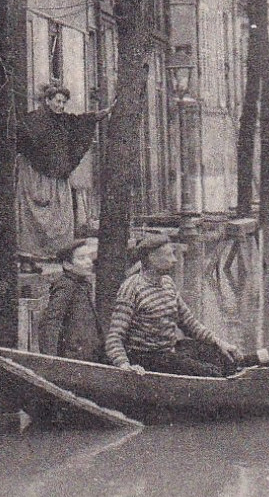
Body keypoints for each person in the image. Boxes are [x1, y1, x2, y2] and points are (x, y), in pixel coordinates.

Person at [105, 234, 241, 377]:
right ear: (152, 257)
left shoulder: (168, 283)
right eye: (169, 255)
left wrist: (219, 343)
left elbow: (190, 324)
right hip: (146, 357)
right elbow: (115, 337)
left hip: (169, 350)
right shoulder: (132, 288)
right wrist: (124, 365)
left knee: (223, 357)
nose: (175, 260)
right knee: (209, 372)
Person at [15, 81, 110, 264]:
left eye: (63, 102)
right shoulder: (32, 120)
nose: (60, 106)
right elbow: (21, 140)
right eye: (57, 101)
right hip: (35, 177)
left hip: (58, 178)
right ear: (48, 100)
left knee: (61, 216)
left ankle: (58, 251)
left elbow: (83, 121)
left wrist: (103, 113)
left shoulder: (66, 121)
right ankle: (32, 253)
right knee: (34, 215)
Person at [34, 237, 104, 361]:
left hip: (87, 355)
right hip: (73, 357)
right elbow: (51, 322)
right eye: (81, 258)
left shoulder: (83, 284)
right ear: (67, 265)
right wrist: (51, 360)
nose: (89, 262)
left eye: (89, 257)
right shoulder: (66, 285)